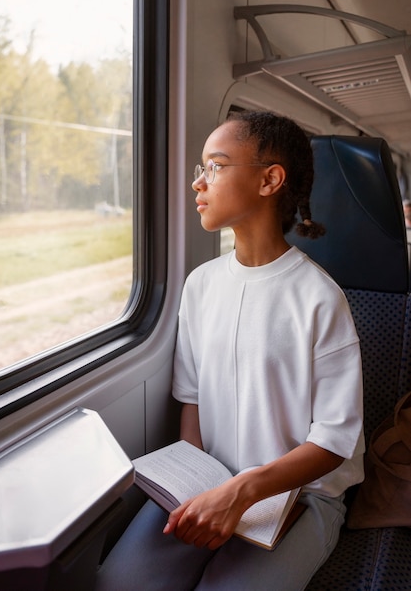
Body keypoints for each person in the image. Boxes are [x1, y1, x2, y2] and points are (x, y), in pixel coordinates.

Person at [95, 111, 364, 591]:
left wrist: (242, 492)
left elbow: (332, 442)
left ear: (270, 180)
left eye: (215, 166)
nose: (198, 183)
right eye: (200, 169)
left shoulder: (320, 299)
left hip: (298, 495)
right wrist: (196, 482)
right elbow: (192, 399)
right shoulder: (200, 285)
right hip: (213, 480)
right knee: (118, 582)